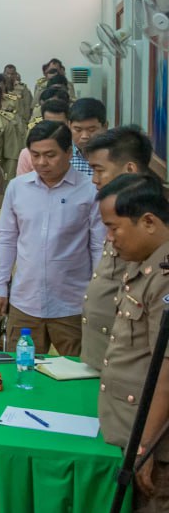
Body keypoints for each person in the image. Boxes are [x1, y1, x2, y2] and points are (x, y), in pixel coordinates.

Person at [0, 121, 104, 356]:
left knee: (76, 370)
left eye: (50, 155)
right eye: (35, 155)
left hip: (72, 303)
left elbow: (98, 246)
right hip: (25, 301)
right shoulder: (17, 188)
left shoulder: (89, 190)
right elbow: (7, 240)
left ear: (69, 153)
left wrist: (98, 293)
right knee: (21, 368)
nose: (42, 162)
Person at [94, 173, 169, 513]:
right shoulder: (146, 261)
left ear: (148, 222)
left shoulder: (165, 277)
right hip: (130, 428)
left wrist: (146, 445)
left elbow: (166, 369)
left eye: (114, 228)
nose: (110, 239)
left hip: (154, 444)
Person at [81, 125, 152, 372]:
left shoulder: (147, 222)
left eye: (100, 170)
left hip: (127, 359)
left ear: (129, 169)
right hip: (102, 352)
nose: (94, 179)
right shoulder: (120, 211)